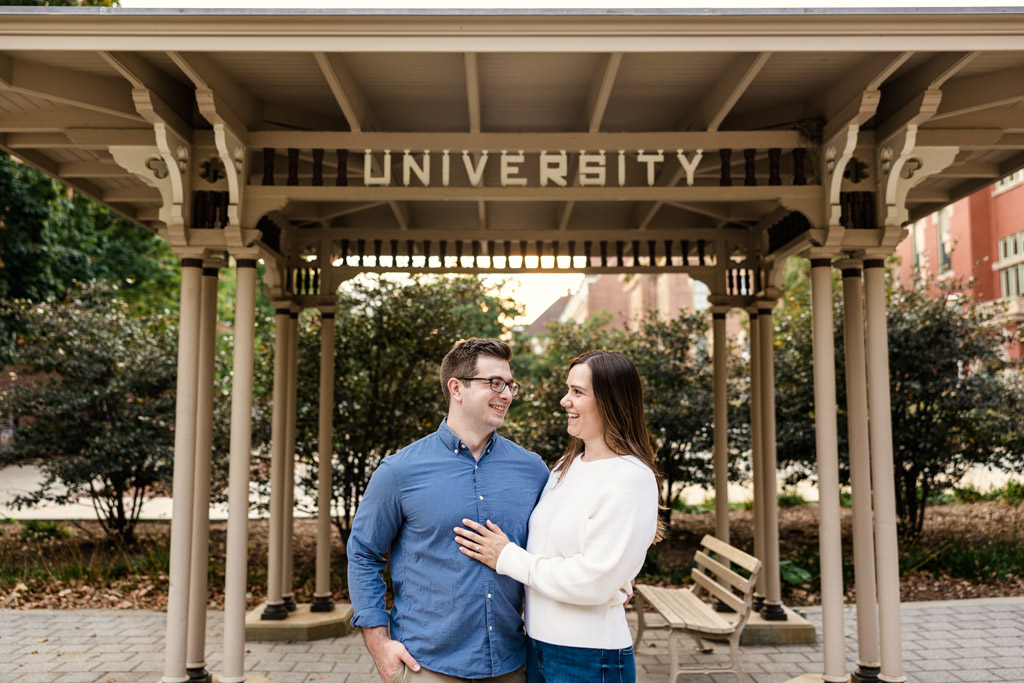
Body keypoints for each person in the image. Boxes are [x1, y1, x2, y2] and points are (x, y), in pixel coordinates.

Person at [348, 338, 550, 683]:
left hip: (511, 663)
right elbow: (364, 553)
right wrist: (379, 643)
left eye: (510, 385)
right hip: (425, 665)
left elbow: (556, 542)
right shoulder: (399, 472)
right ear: (456, 387)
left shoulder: (533, 470)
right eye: (494, 383)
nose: (506, 394)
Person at [454, 350, 661, 683]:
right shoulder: (566, 467)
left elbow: (593, 581)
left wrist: (507, 557)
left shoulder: (630, 477)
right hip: (538, 648)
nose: (565, 400)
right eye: (568, 390)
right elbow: (551, 549)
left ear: (611, 401)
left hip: (591, 659)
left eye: (578, 392)